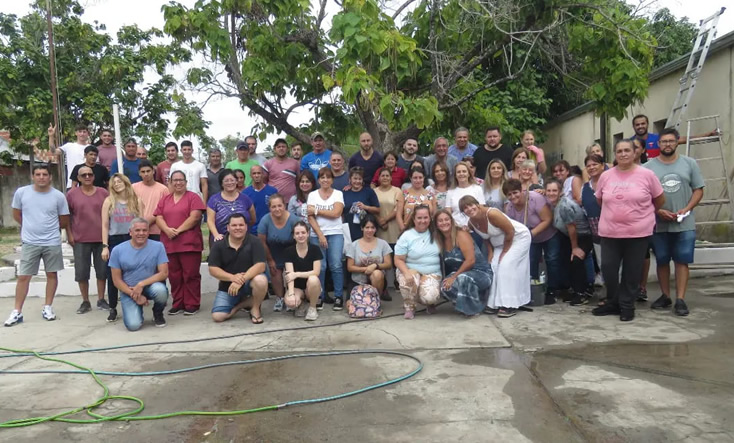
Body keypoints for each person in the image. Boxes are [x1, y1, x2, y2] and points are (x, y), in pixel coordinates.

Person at [592, 140, 665, 322]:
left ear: (635, 153)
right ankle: (613, 302)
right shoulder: (606, 176)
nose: (623, 154)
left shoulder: (647, 175)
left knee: (632, 272)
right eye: (619, 151)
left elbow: (660, 200)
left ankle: (626, 306)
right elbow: (600, 200)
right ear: (615, 155)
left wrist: (641, 214)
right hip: (610, 232)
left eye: (627, 150)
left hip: (637, 233)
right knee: (608, 269)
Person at [644, 128, 705, 316]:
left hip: (684, 223)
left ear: (677, 142)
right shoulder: (647, 168)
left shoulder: (690, 163)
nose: (668, 144)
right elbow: (644, 196)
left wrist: (687, 209)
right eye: (664, 141)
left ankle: (680, 299)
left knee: (682, 260)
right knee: (662, 260)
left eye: (671, 141)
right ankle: (665, 295)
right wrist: (657, 210)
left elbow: (699, 189)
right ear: (658, 144)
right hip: (658, 223)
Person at [4, 165, 70, 327]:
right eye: (38, 174)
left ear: (50, 177)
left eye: (45, 174)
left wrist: (50, 229)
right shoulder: (22, 193)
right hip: (30, 241)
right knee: (23, 277)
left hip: (52, 242)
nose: (41, 177)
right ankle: (17, 311)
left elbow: (64, 220)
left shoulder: (58, 196)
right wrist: (29, 227)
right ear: (32, 176)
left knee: (51, 275)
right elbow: (16, 214)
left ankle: (47, 307)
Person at [461, 195, 532, 317]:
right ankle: (494, 303)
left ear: (478, 204)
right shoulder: (471, 222)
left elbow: (510, 231)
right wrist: (490, 252)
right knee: (493, 266)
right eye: (465, 208)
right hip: (498, 243)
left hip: (518, 238)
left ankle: (509, 305)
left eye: (471, 205)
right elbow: (486, 238)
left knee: (506, 265)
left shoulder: (492, 214)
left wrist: (505, 252)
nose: (469, 209)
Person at [154, 170, 206, 316]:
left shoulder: (193, 197)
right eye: (175, 180)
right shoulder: (165, 199)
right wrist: (166, 229)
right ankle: (178, 302)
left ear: (186, 182)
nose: (178, 183)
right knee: (174, 276)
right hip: (169, 244)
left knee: (190, 275)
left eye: (181, 180)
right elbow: (158, 217)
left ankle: (192, 303)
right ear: (170, 182)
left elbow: (195, 217)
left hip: (189, 243)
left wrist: (178, 230)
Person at [108, 218, 169, 330]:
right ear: (130, 232)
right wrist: (135, 295)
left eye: (144, 230)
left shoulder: (158, 246)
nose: (141, 233)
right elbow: (116, 280)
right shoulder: (117, 250)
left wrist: (141, 284)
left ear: (148, 232)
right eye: (137, 230)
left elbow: (164, 273)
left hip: (150, 286)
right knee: (133, 326)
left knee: (161, 291)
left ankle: (158, 313)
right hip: (129, 290)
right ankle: (137, 310)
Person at [208, 213, 268, 323]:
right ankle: (241, 305)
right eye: (234, 225)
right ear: (228, 227)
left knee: (261, 280)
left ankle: (255, 308)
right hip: (228, 286)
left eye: (241, 225)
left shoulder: (255, 241)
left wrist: (241, 280)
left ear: (246, 227)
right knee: (218, 316)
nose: (238, 228)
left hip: (249, 283)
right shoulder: (218, 245)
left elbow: (260, 265)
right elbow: (213, 269)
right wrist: (232, 278)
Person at [66, 165, 110, 314]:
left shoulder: (103, 193)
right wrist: (69, 235)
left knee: (102, 271)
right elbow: (68, 217)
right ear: (78, 178)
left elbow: (110, 214)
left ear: (93, 176)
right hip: (80, 239)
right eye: (83, 175)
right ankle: (85, 301)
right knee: (82, 272)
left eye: (89, 174)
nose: (87, 177)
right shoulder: (72, 194)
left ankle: (101, 299)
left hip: (101, 238)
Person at [101, 173, 144, 322]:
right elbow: (105, 225)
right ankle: (113, 307)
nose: (117, 184)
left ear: (126, 182)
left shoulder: (137, 201)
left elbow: (142, 223)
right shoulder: (108, 201)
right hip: (114, 240)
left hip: (132, 239)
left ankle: (138, 300)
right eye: (114, 182)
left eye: (120, 181)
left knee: (135, 272)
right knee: (112, 276)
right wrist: (105, 246)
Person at [545, 179, 594, 305]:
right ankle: (572, 290)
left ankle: (582, 293)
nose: (551, 193)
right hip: (568, 236)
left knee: (576, 259)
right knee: (566, 261)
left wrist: (575, 247)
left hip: (583, 236)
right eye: (549, 190)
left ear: (560, 192)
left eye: (554, 190)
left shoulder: (564, 205)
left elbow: (572, 228)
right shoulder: (553, 204)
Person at [435, 209, 492, 316]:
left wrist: (454, 277)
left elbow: (470, 261)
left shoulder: (461, 234)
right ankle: (466, 301)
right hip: (463, 273)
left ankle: (473, 309)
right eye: (440, 221)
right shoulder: (440, 239)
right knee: (444, 285)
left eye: (447, 219)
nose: (444, 223)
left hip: (481, 272)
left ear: (451, 221)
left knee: (462, 278)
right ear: (436, 224)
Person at [307, 167, 345, 310]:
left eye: (328, 177)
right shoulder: (312, 195)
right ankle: (319, 296)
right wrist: (320, 235)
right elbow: (310, 217)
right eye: (322, 177)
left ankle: (338, 296)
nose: (325, 180)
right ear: (318, 180)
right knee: (320, 267)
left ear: (332, 180)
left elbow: (336, 213)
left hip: (335, 233)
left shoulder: (338, 194)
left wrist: (317, 210)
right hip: (317, 235)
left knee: (336, 265)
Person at [394, 205, 441, 319]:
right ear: (414, 219)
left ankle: (428, 302)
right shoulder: (406, 236)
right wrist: (406, 272)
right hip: (411, 269)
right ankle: (409, 306)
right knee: (408, 280)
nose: (423, 221)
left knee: (430, 297)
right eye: (419, 218)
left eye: (426, 217)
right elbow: (398, 259)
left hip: (432, 272)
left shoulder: (437, 233)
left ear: (430, 218)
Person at [258, 194, 298, 312]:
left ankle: (291, 296)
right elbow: (262, 242)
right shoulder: (265, 220)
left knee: (292, 273)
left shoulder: (294, 220)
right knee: (275, 271)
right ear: (269, 208)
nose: (277, 209)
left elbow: (302, 239)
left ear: (284, 205)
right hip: (273, 250)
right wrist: (270, 260)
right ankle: (279, 298)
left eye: (279, 205)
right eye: (273, 206)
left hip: (292, 250)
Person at [283, 221, 322, 321]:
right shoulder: (288, 251)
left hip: (311, 286)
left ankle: (312, 308)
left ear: (308, 234)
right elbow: (289, 275)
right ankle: (301, 304)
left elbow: (316, 272)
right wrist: (291, 294)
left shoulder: (315, 249)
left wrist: (297, 274)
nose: (300, 235)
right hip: (297, 287)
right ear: (293, 236)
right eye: (297, 233)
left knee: (313, 279)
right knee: (289, 301)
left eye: (303, 232)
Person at [346, 214, 393, 296]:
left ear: (376, 229)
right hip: (357, 281)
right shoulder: (353, 245)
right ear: (362, 228)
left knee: (377, 274)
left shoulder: (383, 244)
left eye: (372, 227)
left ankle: (375, 301)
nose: (370, 230)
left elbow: (388, 264)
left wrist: (375, 266)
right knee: (351, 306)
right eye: (367, 227)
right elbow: (350, 267)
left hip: (377, 279)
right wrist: (366, 269)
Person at [207, 170, 256, 242]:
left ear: (236, 182)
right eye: (226, 181)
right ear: (222, 183)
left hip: (243, 240)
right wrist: (216, 235)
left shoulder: (245, 199)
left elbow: (252, 219)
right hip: (221, 240)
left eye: (232, 180)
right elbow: (210, 221)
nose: (230, 183)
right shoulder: (214, 200)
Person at [582, 154, 605, 289]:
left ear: (602, 166)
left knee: (616, 265)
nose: (591, 167)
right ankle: (609, 295)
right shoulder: (585, 187)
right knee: (603, 264)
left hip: (614, 230)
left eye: (595, 164)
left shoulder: (610, 182)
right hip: (596, 232)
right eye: (588, 166)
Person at [132, 160, 170, 242]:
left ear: (153, 171)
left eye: (148, 171)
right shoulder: (133, 188)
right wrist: (140, 225)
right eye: (143, 172)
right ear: (139, 173)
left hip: (157, 231)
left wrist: (148, 222)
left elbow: (165, 210)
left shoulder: (163, 189)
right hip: (138, 231)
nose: (146, 174)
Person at [342, 168, 380, 241]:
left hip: (366, 229)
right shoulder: (344, 193)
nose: (357, 181)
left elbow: (377, 210)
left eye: (360, 179)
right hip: (349, 229)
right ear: (350, 179)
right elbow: (341, 212)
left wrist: (365, 207)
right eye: (355, 179)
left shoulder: (369, 192)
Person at [444, 162, 485, 227]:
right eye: (459, 172)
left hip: (475, 227)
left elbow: (481, 210)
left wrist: (471, 227)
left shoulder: (477, 189)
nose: (461, 174)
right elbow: (448, 213)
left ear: (469, 174)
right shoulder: (450, 192)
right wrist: (457, 226)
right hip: (456, 228)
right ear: (455, 175)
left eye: (464, 171)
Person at [50, 123, 89, 189]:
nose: (82, 134)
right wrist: (51, 136)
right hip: (72, 184)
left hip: (88, 184)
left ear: (88, 134)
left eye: (84, 132)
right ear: (76, 133)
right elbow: (53, 151)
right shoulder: (69, 146)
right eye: (80, 132)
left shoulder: (91, 148)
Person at [243, 165, 278, 235]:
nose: (256, 175)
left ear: (263, 174)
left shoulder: (272, 191)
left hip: (270, 229)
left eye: (259, 173)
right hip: (252, 231)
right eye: (254, 173)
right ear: (250, 175)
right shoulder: (245, 193)